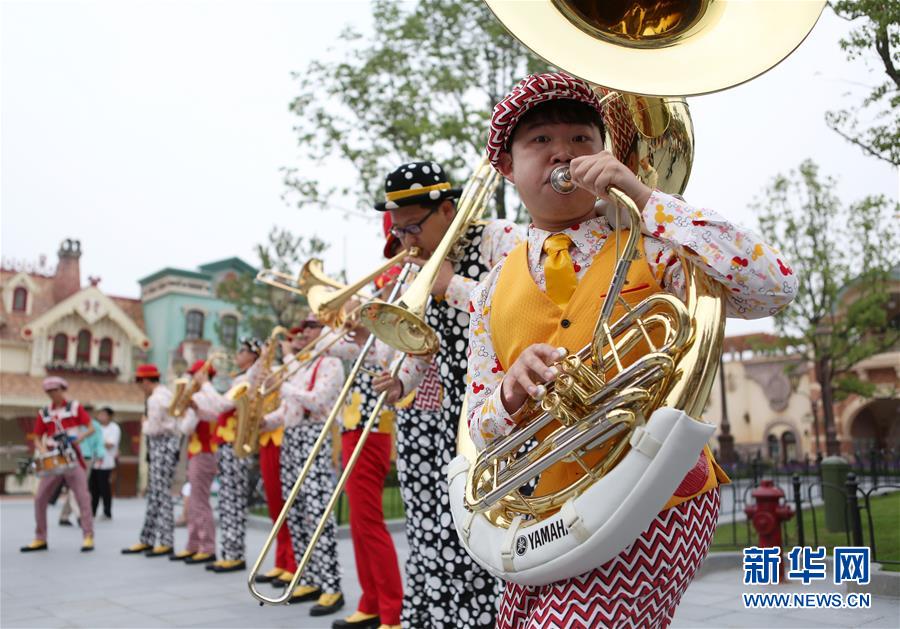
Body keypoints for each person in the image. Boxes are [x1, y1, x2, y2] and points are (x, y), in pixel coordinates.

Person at [466, 72, 798, 628]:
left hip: (655, 496)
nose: (563, 154)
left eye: (581, 139)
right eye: (540, 141)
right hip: (544, 512)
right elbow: (480, 427)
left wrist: (645, 199)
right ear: (506, 166)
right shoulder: (488, 289)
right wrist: (509, 391)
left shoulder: (653, 244)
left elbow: (774, 286)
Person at [371, 161, 523, 628]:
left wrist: (448, 286)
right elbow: (426, 343)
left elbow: (526, 305)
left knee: (496, 530)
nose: (407, 240)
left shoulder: (499, 238)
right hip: (454, 418)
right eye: (400, 231)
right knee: (449, 528)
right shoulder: (421, 264)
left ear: (448, 209)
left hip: (509, 415)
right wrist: (403, 383)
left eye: (413, 227)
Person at [262, 316, 345, 617]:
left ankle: (332, 586)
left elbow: (317, 399)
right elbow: (288, 410)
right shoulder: (302, 367)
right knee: (294, 510)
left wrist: (283, 385)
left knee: (318, 512)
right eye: (303, 329)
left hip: (315, 434)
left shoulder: (332, 364)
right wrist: (265, 422)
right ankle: (308, 578)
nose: (305, 333)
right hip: (293, 437)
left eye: (312, 327)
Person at [20, 376, 95, 553]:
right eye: (49, 391)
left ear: (62, 389)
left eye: (55, 389)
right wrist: (42, 449)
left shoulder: (75, 407)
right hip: (53, 459)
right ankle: (40, 538)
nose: (52, 393)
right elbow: (37, 437)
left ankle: (88, 536)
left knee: (83, 497)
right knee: (40, 498)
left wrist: (78, 438)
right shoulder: (44, 413)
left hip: (73, 457)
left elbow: (90, 427)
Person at [207, 338, 262, 573]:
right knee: (227, 498)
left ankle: (234, 552)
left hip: (235, 442)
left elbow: (222, 405)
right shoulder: (240, 378)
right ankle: (229, 550)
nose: (237, 354)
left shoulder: (246, 379)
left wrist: (205, 386)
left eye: (242, 351)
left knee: (233, 499)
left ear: (252, 356)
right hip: (227, 441)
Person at [122, 363, 180, 557]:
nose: (140, 386)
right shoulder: (165, 395)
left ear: (146, 381)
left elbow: (154, 428)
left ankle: (164, 540)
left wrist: (144, 425)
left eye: (140, 382)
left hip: (161, 446)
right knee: (156, 494)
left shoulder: (156, 399)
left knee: (161, 495)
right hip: (165, 447)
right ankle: (148, 538)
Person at [170, 360, 224, 565]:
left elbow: (186, 428)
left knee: (199, 501)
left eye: (195, 375)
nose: (192, 379)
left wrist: (188, 410)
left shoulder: (203, 396)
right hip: (199, 451)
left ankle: (206, 546)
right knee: (194, 500)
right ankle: (194, 544)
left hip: (203, 452)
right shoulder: (203, 396)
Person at [90, 406, 120, 519]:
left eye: (104, 414)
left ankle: (107, 512)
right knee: (94, 489)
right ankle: (92, 511)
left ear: (110, 416)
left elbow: (110, 444)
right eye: (100, 414)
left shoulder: (114, 428)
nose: (101, 417)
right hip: (94, 461)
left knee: (104, 488)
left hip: (106, 462)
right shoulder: (96, 427)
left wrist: (98, 443)